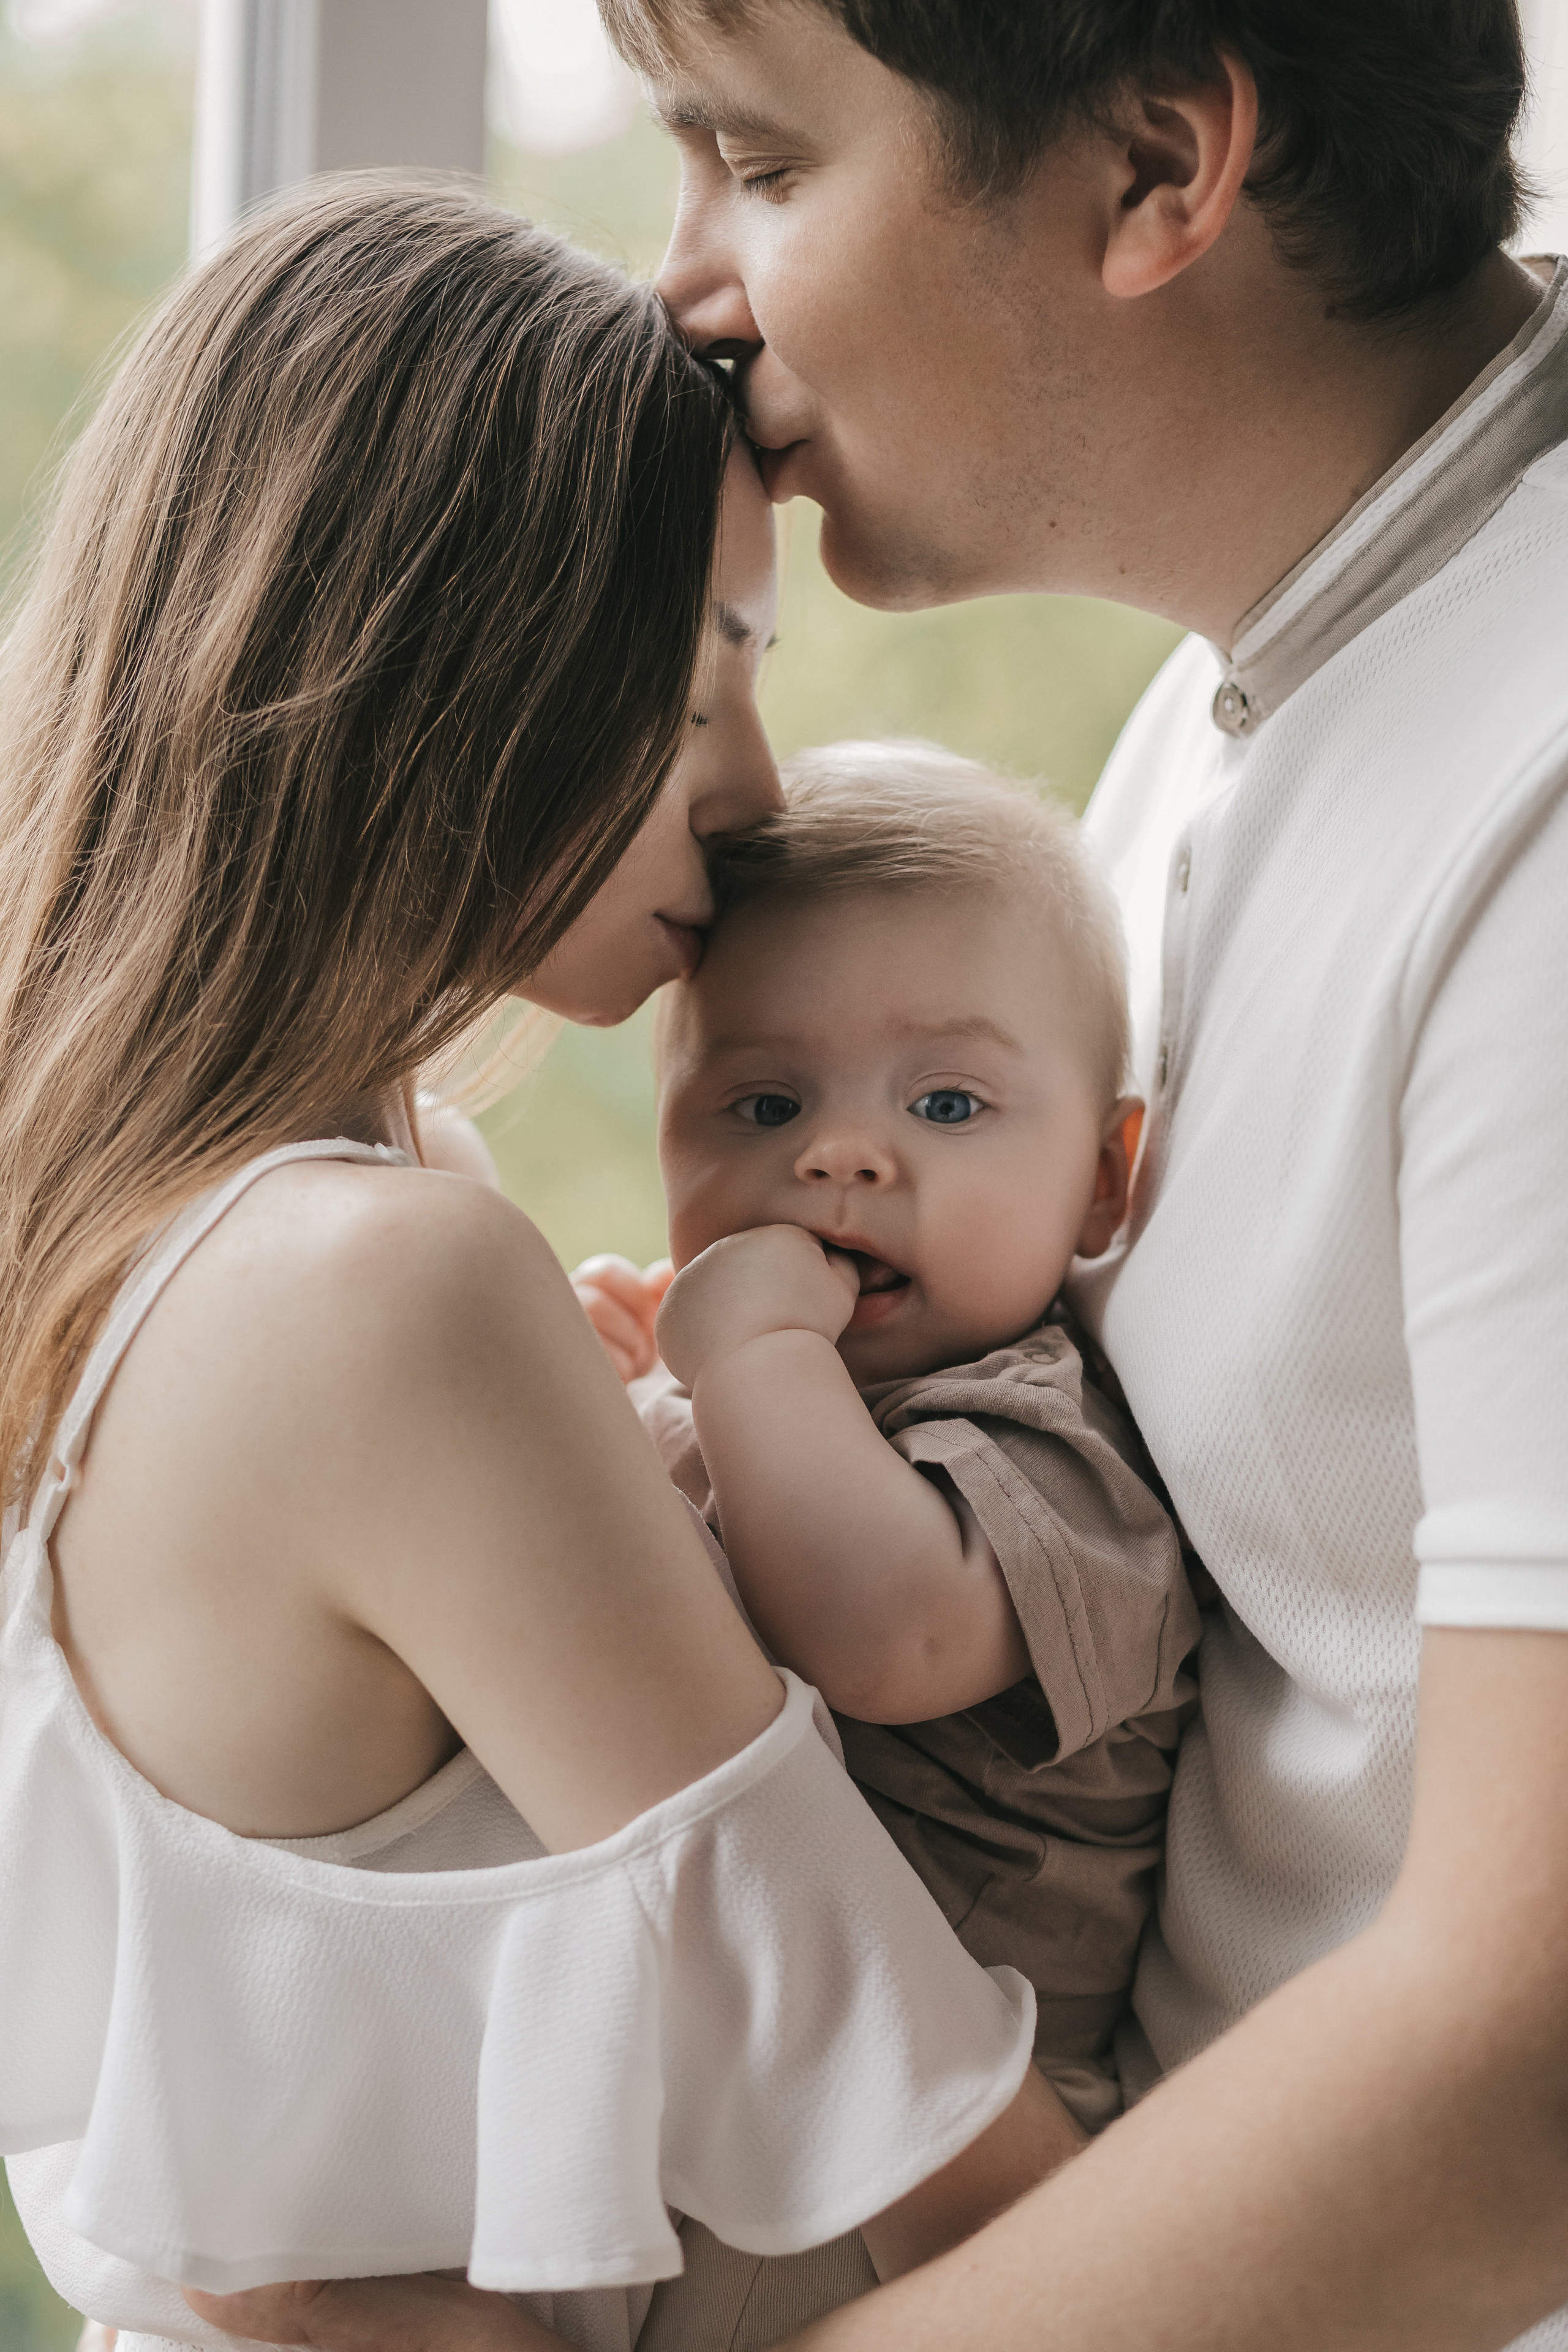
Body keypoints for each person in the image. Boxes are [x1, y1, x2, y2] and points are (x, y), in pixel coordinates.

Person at [193, 0, 1568, 2345]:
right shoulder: (1224, 733)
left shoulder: (1536, 791)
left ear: (1159, 168)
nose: (683, 287)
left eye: (758, 159)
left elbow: (1527, 2060)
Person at [0, 175, 1090, 2352]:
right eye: (700, 693)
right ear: (440, 668)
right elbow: (911, 2132)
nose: (759, 788)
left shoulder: (210, 1218)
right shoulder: (369, 1290)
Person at [576, 741, 1202, 2149]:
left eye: (944, 1104)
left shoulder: (1053, 1450)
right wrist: (605, 1417)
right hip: (730, 2086)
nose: (841, 1156)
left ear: (1101, 1183)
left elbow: (881, 1641)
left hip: (929, 2147)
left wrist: (745, 1357)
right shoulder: (740, 1376)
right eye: (764, 1105)